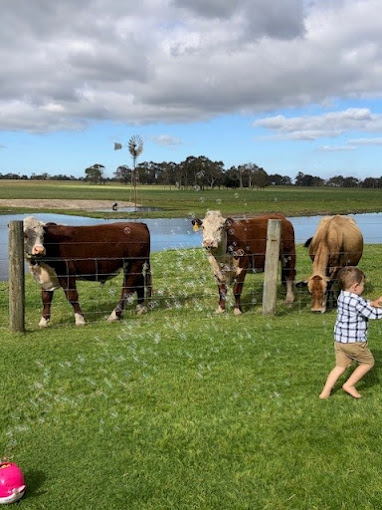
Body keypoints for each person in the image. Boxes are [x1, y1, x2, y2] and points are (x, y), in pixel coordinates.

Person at [319, 266, 382, 399]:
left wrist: (373, 302)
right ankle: (349, 385)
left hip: (340, 341)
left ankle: (325, 392)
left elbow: (363, 304)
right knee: (368, 363)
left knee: (340, 366)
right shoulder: (357, 301)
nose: (363, 287)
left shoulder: (342, 296)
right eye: (363, 285)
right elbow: (373, 314)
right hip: (354, 342)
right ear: (355, 287)